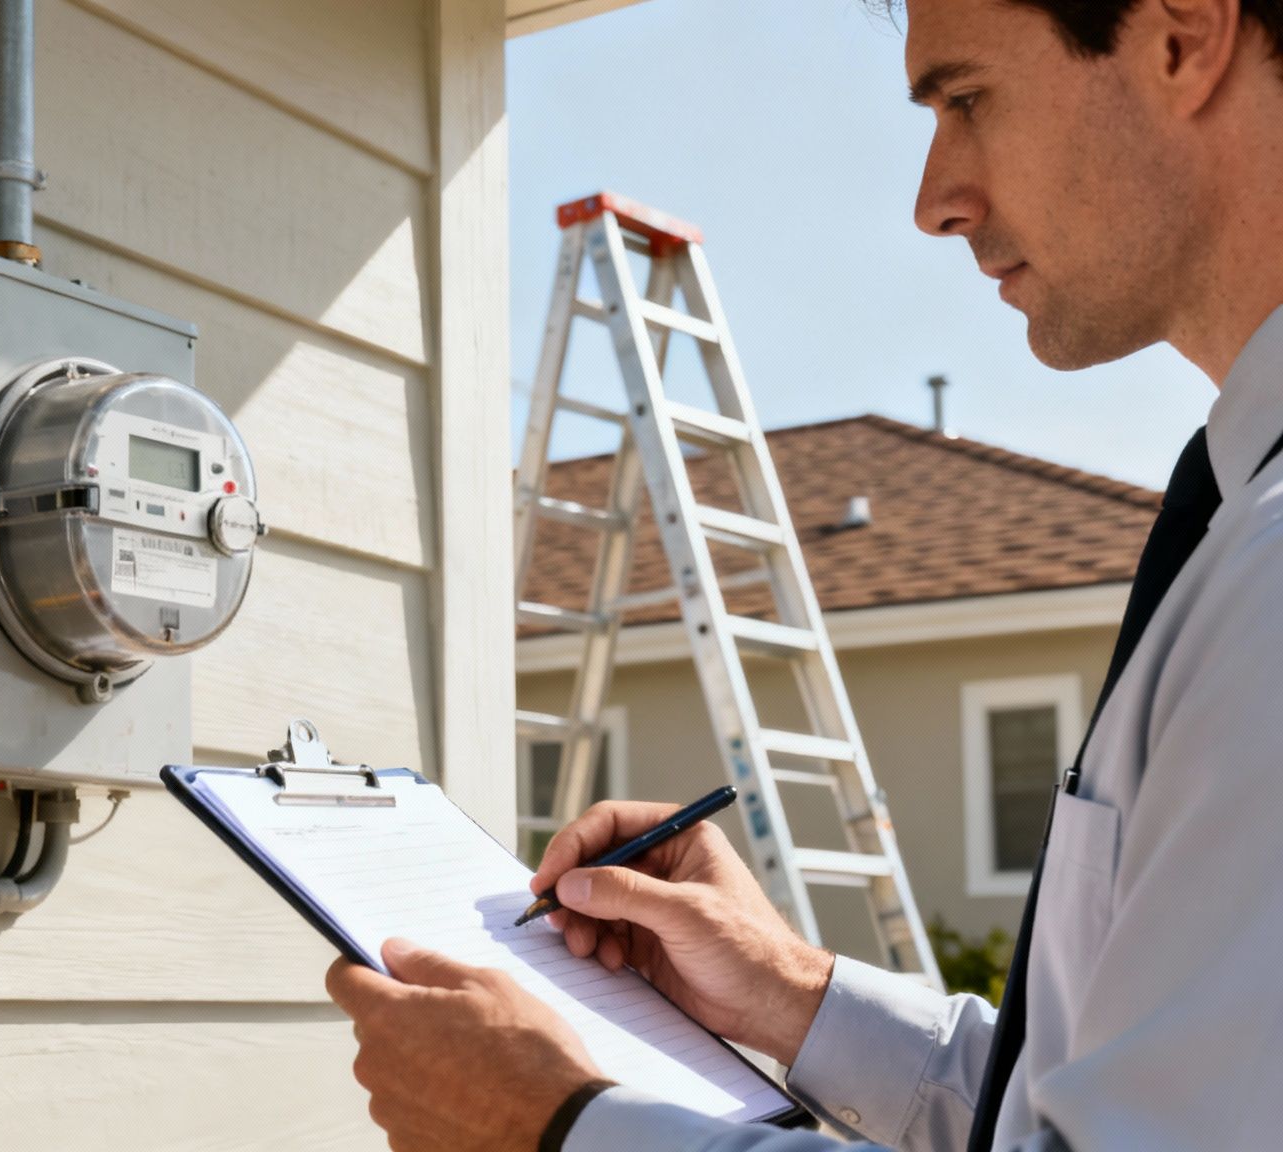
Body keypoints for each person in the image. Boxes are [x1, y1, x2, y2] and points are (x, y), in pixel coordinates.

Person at [327, 0, 1283, 1148]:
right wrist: (790, 994)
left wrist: (556, 1126)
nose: (934, 200)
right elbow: (1081, 1106)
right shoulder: (1235, 529)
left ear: (1181, 36)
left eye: (966, 98)